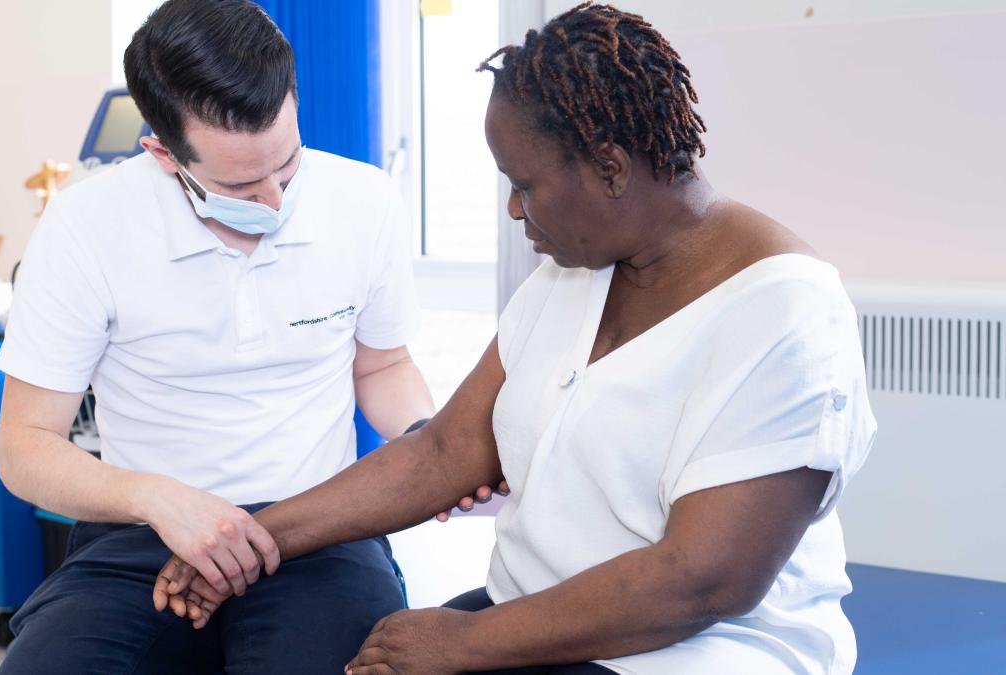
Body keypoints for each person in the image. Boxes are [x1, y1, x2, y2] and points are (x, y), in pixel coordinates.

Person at [155, 3, 877, 674]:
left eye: (524, 184)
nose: (511, 208)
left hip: (698, 648)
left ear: (610, 167)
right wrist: (255, 540)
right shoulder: (569, 278)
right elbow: (443, 450)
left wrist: (464, 640)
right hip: (533, 614)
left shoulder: (786, 313)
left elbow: (703, 580)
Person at [0, 1, 498, 672]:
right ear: (162, 152)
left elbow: (382, 367)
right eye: (239, 183)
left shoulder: (364, 202)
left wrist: (424, 443)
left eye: (287, 167)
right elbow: (24, 446)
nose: (275, 203)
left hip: (322, 530)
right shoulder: (87, 225)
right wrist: (157, 497)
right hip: (144, 534)